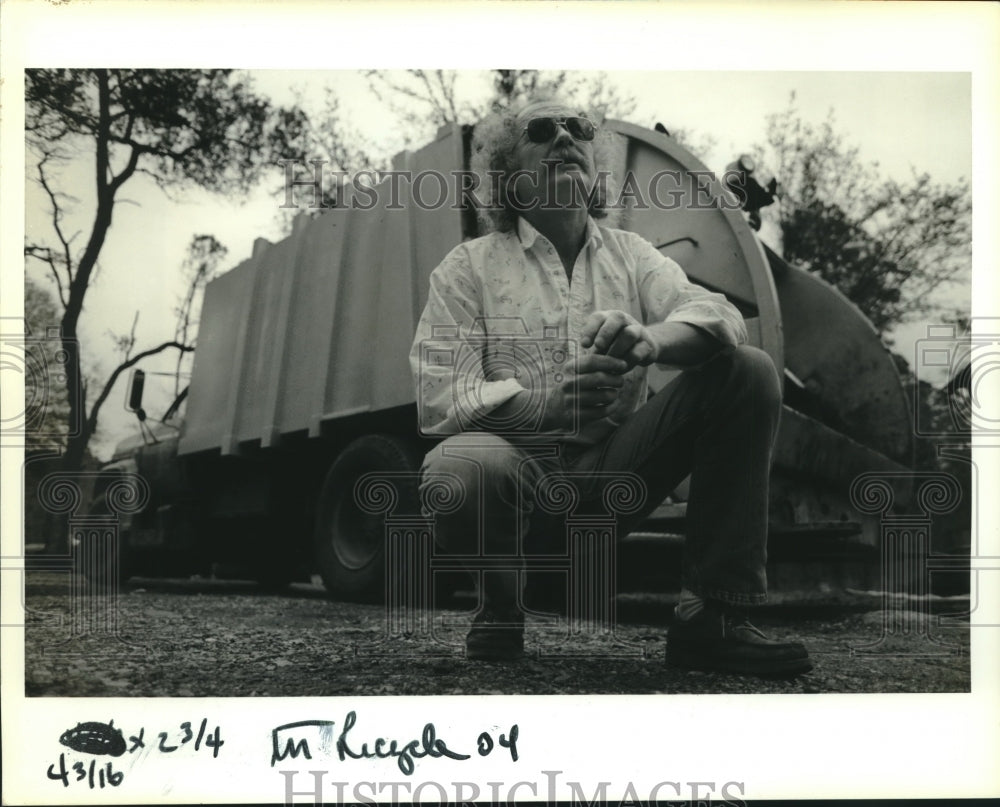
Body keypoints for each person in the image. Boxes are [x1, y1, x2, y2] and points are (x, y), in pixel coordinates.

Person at [408, 98, 812, 676]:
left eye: (578, 130)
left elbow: (717, 314)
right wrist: (543, 406)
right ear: (507, 175)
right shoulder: (466, 267)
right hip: (520, 478)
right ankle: (500, 607)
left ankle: (711, 620)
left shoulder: (633, 255)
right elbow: (441, 395)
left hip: (619, 474)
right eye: (541, 131)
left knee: (747, 370)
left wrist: (651, 339)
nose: (565, 138)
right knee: (460, 465)